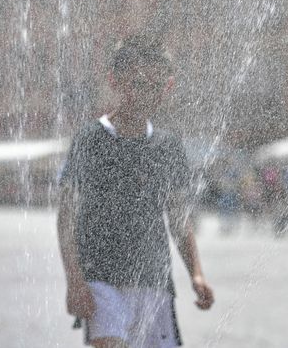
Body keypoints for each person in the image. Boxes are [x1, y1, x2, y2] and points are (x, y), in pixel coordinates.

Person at [57, 35, 214, 348]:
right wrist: (74, 279)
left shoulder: (167, 146)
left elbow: (179, 221)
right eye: (138, 84)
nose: (145, 95)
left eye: (155, 86)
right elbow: (66, 216)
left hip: (154, 282)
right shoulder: (90, 139)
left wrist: (196, 273)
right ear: (115, 82)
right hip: (100, 279)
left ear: (167, 88)